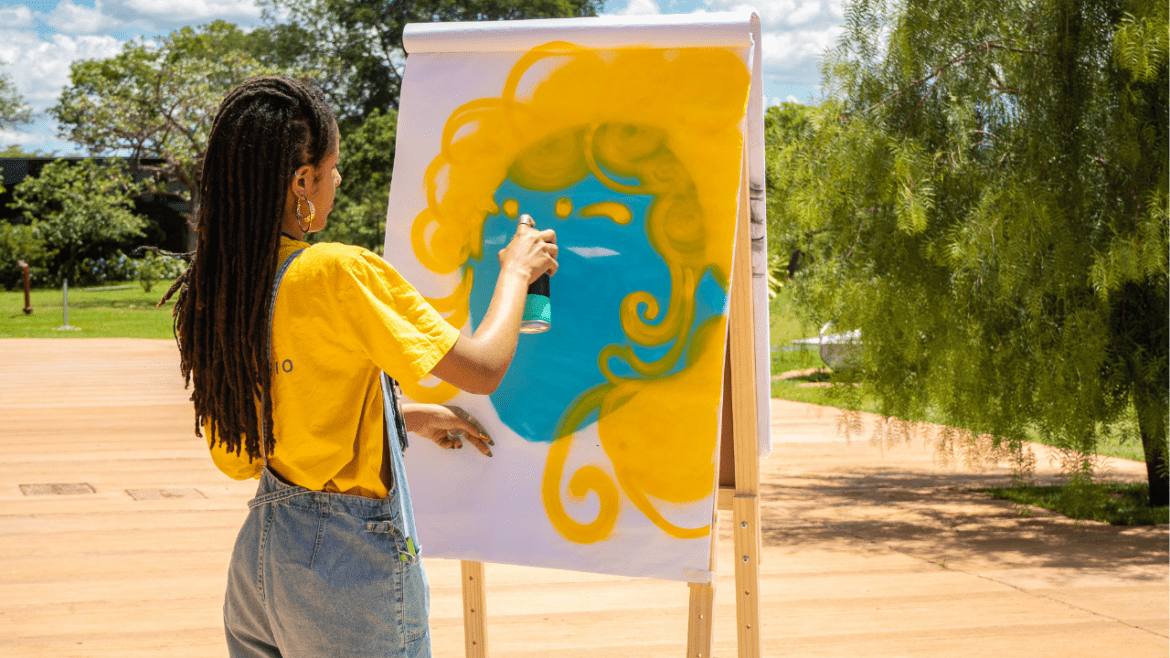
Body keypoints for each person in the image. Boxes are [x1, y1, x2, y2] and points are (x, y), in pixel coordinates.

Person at [165, 76, 557, 657]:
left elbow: (261, 433)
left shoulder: (224, 287)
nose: (339, 181)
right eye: (332, 168)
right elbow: (481, 369)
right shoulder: (334, 272)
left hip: (261, 566)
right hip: (343, 569)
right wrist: (518, 274)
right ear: (302, 181)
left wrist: (401, 417)